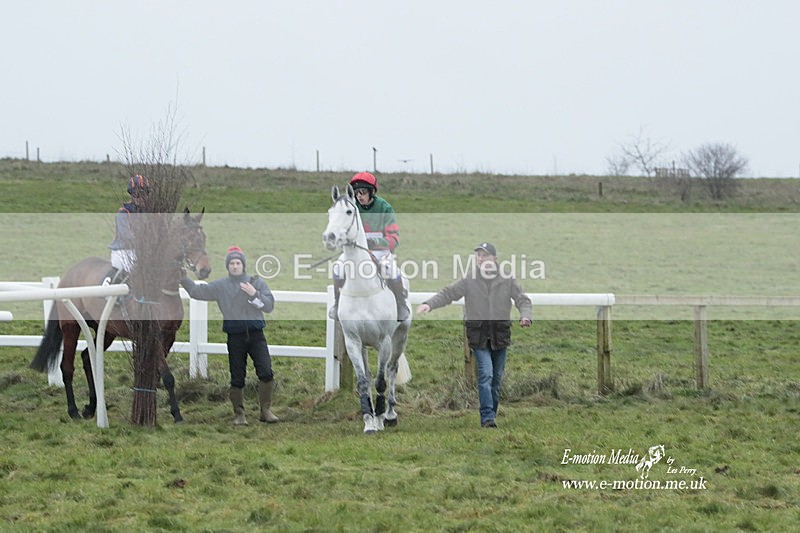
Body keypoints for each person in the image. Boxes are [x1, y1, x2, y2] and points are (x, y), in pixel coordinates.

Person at [416, 242, 532, 428]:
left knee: (496, 379)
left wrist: (525, 316)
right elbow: (449, 293)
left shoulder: (507, 279)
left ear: (494, 259)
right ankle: (487, 417)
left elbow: (522, 300)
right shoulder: (469, 279)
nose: (480, 259)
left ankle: (491, 413)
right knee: (486, 374)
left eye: (484, 255)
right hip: (479, 337)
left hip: (500, 336)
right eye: (478, 255)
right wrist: (429, 304)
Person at [181, 246, 279, 425]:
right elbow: (197, 292)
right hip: (235, 336)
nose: (235, 266)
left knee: (266, 372)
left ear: (243, 265)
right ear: (228, 266)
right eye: (232, 263)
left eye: (238, 263)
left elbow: (269, 305)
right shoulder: (220, 286)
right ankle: (239, 414)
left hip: (257, 335)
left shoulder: (256, 283)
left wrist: (254, 294)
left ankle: (265, 411)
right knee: (237, 376)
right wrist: (183, 278)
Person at [329, 171, 409, 321]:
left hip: (380, 251)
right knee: (338, 268)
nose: (359, 196)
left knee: (390, 269)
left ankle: (401, 304)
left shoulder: (384, 207)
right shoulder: (352, 207)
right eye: (357, 192)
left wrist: (377, 243)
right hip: (357, 252)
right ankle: (337, 303)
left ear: (371, 192)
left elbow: (394, 238)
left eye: (363, 192)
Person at [104, 174, 150, 284]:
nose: (139, 198)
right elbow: (126, 236)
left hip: (145, 251)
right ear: (132, 195)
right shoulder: (123, 212)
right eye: (136, 194)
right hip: (124, 252)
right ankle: (116, 297)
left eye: (143, 194)